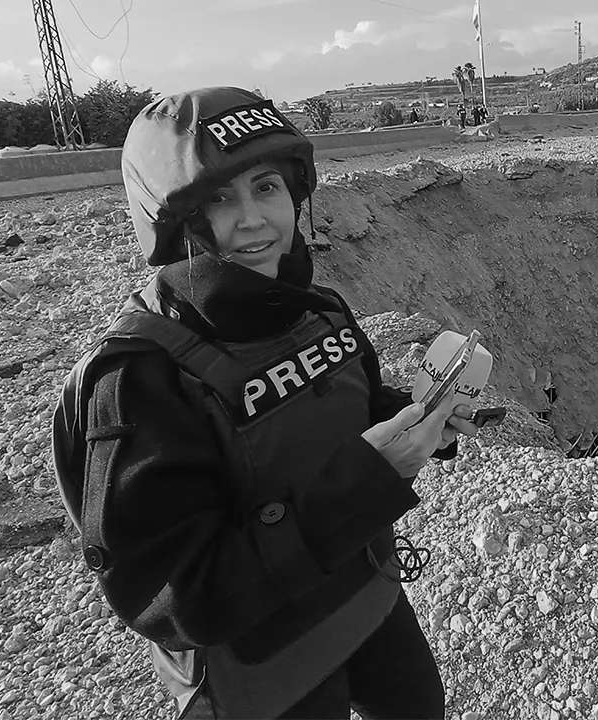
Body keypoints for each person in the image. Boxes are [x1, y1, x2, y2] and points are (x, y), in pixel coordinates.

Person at [54, 86, 476, 720]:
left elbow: (346, 410)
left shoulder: (319, 312)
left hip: (362, 589)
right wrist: (371, 477)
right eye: (218, 198)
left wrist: (422, 419)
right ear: (173, 224)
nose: (253, 219)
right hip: (263, 663)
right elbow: (178, 598)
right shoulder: (143, 379)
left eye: (267, 187)